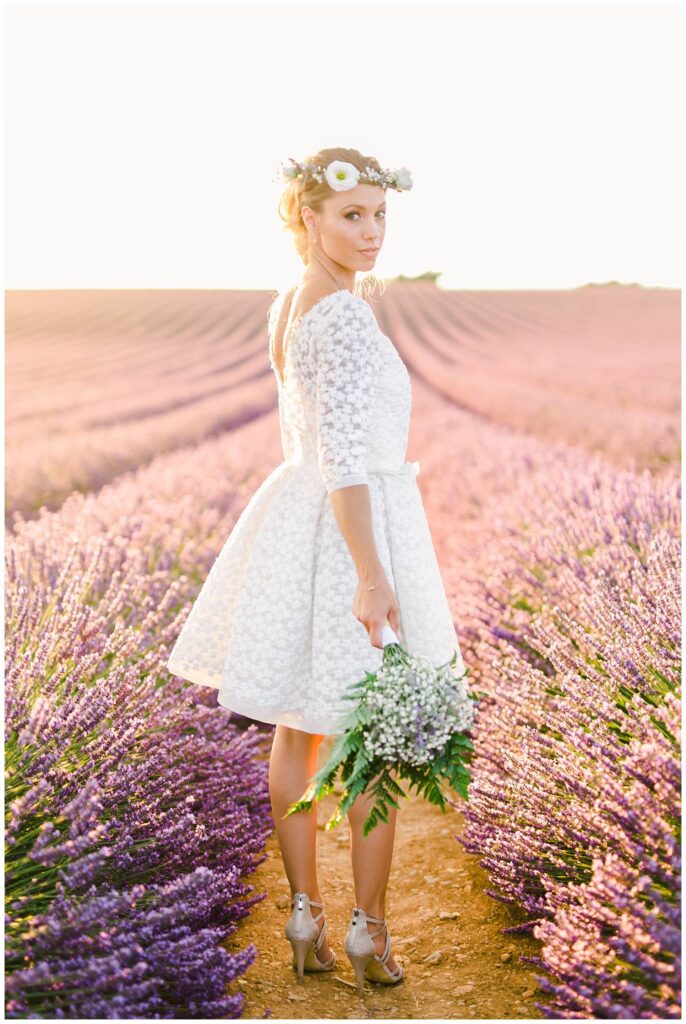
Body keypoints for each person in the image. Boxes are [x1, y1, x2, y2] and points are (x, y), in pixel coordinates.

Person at [167, 147, 466, 994]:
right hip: (349, 530)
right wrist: (371, 574)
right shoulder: (338, 315)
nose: (371, 232)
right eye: (352, 216)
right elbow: (342, 458)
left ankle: (304, 916)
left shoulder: (296, 301)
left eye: (380, 215)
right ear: (308, 218)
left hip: (303, 526)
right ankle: (369, 931)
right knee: (370, 741)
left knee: (299, 729)